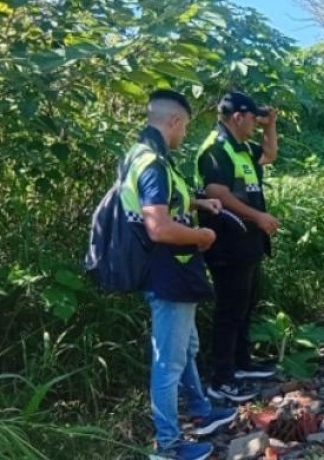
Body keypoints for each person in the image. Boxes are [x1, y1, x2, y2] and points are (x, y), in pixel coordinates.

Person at [121, 89, 235, 460]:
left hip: (167, 271)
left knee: (187, 348)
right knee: (168, 362)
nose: (184, 133)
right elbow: (159, 227)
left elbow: (157, 203)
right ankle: (168, 446)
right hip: (168, 273)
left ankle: (201, 411)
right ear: (173, 121)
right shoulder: (153, 162)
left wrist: (198, 202)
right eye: (184, 126)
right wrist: (203, 235)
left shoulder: (140, 155)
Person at [195, 91, 280, 402]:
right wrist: (259, 217)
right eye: (254, 120)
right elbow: (218, 192)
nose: (256, 125)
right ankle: (221, 377)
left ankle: (242, 363)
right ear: (237, 117)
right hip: (226, 242)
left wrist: (271, 126)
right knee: (229, 310)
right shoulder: (216, 150)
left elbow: (269, 155)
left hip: (247, 241)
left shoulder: (241, 147)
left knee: (245, 305)